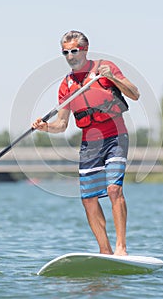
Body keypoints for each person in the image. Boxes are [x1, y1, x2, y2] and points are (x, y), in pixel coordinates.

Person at [32, 31, 140, 256]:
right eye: (65, 52)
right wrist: (45, 127)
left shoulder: (105, 68)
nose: (70, 56)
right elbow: (61, 124)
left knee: (113, 189)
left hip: (115, 136)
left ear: (85, 49)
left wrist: (113, 78)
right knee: (89, 200)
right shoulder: (66, 85)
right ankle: (105, 251)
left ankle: (121, 247)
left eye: (74, 51)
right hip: (90, 144)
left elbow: (135, 94)